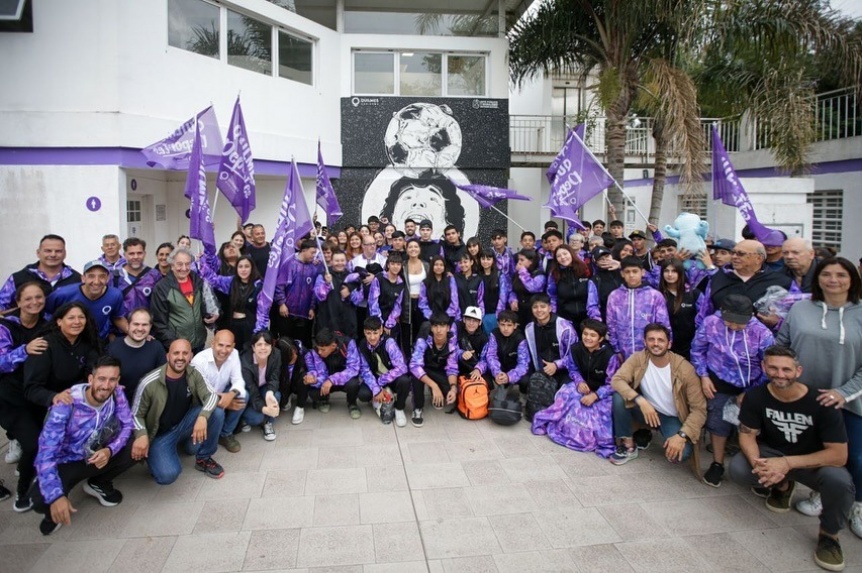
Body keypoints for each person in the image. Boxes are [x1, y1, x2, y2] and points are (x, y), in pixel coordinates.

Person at [729, 345, 854, 572]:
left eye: (786, 369)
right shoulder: (756, 397)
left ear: (798, 371)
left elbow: (838, 455)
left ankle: (829, 536)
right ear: (764, 367)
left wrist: (786, 464)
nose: (779, 374)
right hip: (773, 453)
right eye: (773, 368)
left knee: (839, 481)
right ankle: (782, 486)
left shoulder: (821, 402)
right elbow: (747, 435)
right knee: (739, 467)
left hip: (811, 461)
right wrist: (760, 466)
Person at [776, 257, 862, 535]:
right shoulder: (800, 309)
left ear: (853, 279)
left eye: (841, 275)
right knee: (815, 451)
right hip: (804, 397)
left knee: (856, 457)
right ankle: (822, 494)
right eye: (827, 274)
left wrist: (844, 392)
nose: (833, 280)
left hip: (849, 400)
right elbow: (782, 345)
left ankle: (858, 504)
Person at [30, 356, 136, 535]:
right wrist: (56, 496)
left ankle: (98, 483)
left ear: (118, 381)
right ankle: (53, 510)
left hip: (98, 454)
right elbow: (45, 454)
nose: (106, 385)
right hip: (67, 462)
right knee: (41, 499)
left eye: (112, 379)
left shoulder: (116, 393)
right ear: (90, 379)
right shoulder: (66, 405)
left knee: (137, 446)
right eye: (101, 378)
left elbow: (127, 425)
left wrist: (110, 450)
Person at [20, 302, 100, 511]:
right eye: (71, 318)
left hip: (76, 406)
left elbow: (93, 365)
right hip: (46, 407)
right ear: (59, 321)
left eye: (80, 317)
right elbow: (31, 388)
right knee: (39, 449)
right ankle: (28, 489)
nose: (76, 322)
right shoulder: (45, 345)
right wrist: (54, 397)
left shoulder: (86, 343)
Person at [690, 295, 774, 487]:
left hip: (752, 384)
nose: (735, 327)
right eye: (730, 322)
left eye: (740, 324)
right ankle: (717, 464)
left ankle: (755, 468)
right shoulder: (711, 323)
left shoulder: (761, 333)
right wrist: (703, 376)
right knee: (717, 423)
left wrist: (751, 392)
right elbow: (697, 350)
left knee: (751, 427)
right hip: (718, 382)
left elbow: (769, 366)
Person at [610, 323, 706, 466]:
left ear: (669, 344)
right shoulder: (638, 358)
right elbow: (617, 380)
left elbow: (699, 410)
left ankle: (650, 431)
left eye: (660, 340)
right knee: (619, 398)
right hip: (648, 410)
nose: (655, 344)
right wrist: (641, 401)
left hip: (672, 416)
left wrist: (682, 436)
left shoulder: (685, 369)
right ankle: (628, 445)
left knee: (680, 454)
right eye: (651, 339)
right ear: (645, 342)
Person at [131, 339, 225, 483]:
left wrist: (202, 417)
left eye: (185, 353)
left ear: (191, 356)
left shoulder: (193, 373)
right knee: (168, 475)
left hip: (184, 424)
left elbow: (211, 395)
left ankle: (204, 459)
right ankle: (160, 455)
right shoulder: (149, 382)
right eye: (176, 353)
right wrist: (141, 434)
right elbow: (135, 414)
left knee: (217, 412)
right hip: (160, 435)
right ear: (168, 356)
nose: (180, 357)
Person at [532, 319, 620, 457]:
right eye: (585, 334)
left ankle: (603, 443)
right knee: (567, 394)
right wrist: (579, 382)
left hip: (602, 392)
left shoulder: (610, 356)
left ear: (601, 338)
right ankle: (545, 421)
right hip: (583, 385)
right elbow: (573, 369)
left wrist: (595, 395)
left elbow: (614, 383)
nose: (588, 338)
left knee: (603, 408)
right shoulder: (576, 349)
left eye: (593, 335)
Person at [0, 282, 49, 498]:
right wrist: (24, 350)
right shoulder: (5, 327)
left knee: (38, 441)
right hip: (9, 396)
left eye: (38, 297)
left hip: (35, 395)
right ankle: (25, 488)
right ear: (18, 302)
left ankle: (27, 467)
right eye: (28, 298)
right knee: (32, 442)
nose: (34, 302)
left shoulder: (47, 325)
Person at [698, 239, 796, 330]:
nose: (734, 257)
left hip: (760, 344)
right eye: (733, 253)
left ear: (759, 258)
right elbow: (703, 313)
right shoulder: (716, 277)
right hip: (718, 343)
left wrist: (777, 323)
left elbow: (794, 320)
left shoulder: (781, 282)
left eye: (741, 254)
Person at [150, 248, 220, 353]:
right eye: (179, 264)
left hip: (199, 343)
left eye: (187, 264)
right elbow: (159, 324)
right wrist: (175, 345)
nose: (184, 268)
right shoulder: (162, 288)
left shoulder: (198, 281)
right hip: (177, 347)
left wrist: (212, 314)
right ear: (172, 265)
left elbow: (207, 304)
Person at [190, 330, 247, 453]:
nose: (224, 350)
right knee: (192, 449)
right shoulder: (199, 361)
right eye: (220, 345)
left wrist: (231, 394)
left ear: (233, 346)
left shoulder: (234, 354)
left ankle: (225, 434)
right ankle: (211, 430)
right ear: (212, 343)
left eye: (228, 346)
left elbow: (238, 380)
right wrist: (221, 399)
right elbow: (199, 394)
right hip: (201, 401)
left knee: (243, 395)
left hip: (221, 393)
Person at [605, 257, 671, 361]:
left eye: (635, 271)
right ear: (622, 273)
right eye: (627, 272)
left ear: (643, 272)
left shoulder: (654, 296)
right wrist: (617, 350)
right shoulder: (614, 296)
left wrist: (660, 349)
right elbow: (611, 325)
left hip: (651, 352)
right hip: (624, 353)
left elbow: (663, 325)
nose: (631, 275)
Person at [46, 260, 128, 342]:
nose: (96, 282)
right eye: (91, 276)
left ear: (107, 278)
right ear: (83, 278)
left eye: (102, 276)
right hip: (69, 341)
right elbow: (46, 314)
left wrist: (133, 332)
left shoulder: (115, 295)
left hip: (98, 341)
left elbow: (117, 317)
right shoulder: (63, 294)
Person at [0, 234, 81, 310]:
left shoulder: (77, 279)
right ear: (38, 253)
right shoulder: (18, 278)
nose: (53, 254)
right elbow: (1, 306)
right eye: (48, 251)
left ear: (65, 254)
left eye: (58, 251)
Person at [357, 316, 412, 427]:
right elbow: (365, 371)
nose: (372, 337)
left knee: (405, 381)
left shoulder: (389, 343)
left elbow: (402, 367)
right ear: (364, 332)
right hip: (375, 377)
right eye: (368, 333)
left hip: (390, 377)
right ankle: (378, 398)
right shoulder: (362, 345)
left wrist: (381, 381)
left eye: (375, 333)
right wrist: (376, 389)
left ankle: (399, 408)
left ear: (381, 330)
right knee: (363, 394)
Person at [199, 254, 261, 351]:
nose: (243, 269)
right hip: (232, 324)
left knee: (247, 354)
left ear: (252, 268)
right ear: (236, 268)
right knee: (232, 352)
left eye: (247, 266)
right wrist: (203, 260)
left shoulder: (258, 285)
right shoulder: (231, 281)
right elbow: (212, 279)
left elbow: (263, 312)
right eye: (240, 266)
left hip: (250, 326)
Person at [303, 328, 369, 419]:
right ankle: (324, 400)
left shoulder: (348, 343)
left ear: (333, 346)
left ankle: (352, 403)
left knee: (353, 384)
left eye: (323, 349)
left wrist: (332, 380)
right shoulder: (316, 350)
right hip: (327, 379)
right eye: (318, 349)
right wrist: (313, 379)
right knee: (313, 392)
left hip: (344, 378)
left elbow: (353, 369)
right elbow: (318, 372)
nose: (319, 352)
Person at [409, 312, 459, 427]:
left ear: (448, 328)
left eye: (442, 326)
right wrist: (434, 385)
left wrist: (453, 388)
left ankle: (436, 392)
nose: (439, 330)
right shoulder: (424, 338)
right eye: (436, 326)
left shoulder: (452, 342)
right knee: (416, 376)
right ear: (431, 327)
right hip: (424, 368)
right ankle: (418, 408)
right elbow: (415, 365)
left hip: (439, 370)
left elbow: (452, 368)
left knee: (452, 392)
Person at [106, 308, 166, 403]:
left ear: (150, 326)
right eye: (136, 324)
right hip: (119, 405)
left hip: (148, 404)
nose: (140, 328)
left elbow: (163, 379)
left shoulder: (156, 347)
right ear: (128, 325)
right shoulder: (113, 348)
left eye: (144, 325)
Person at [270, 239, 320, 347]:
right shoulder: (289, 264)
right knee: (285, 342)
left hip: (303, 313)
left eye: (315, 253)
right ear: (304, 250)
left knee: (300, 343)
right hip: (287, 312)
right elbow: (280, 285)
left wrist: (311, 307)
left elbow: (314, 290)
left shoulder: (314, 268)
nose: (314, 255)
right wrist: (281, 303)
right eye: (312, 253)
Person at [524, 294, 576, 393]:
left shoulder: (565, 328)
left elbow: (574, 355)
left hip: (564, 371)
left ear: (550, 308)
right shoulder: (529, 328)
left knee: (563, 393)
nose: (539, 310)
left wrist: (556, 365)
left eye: (543, 306)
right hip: (541, 371)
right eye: (535, 307)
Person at [469, 310, 529, 389]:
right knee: (485, 372)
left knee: (525, 380)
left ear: (515, 326)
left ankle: (520, 395)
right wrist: (497, 372)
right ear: (498, 324)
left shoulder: (520, 339)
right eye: (502, 325)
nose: (505, 328)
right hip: (498, 368)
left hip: (514, 369)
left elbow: (523, 363)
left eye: (509, 325)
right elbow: (491, 355)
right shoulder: (494, 334)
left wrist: (509, 376)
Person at [239, 331, 281, 441]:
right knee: (257, 418)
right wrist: (265, 409)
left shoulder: (276, 354)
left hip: (263, 386)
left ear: (271, 346)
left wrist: (269, 392)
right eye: (259, 344)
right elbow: (251, 390)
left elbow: (275, 378)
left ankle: (268, 423)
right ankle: (245, 417)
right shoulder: (245, 362)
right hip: (249, 393)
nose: (263, 348)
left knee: (275, 396)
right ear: (253, 347)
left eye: (266, 344)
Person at [658, 259, 703, 361]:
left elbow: (703, 321)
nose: (670, 274)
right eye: (666, 271)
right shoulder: (657, 295)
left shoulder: (694, 294)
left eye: (674, 271)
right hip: (666, 348)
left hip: (690, 348)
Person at [314, 250, 363, 339]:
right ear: (331, 261)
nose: (340, 263)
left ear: (346, 261)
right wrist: (327, 284)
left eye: (342, 260)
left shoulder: (353, 277)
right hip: (328, 319)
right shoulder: (323, 275)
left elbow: (358, 299)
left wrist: (349, 293)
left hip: (347, 321)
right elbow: (319, 296)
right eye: (337, 261)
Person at [547, 245, 591, 331]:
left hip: (586, 317)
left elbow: (593, 294)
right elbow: (552, 296)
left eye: (565, 254)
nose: (563, 257)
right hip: (565, 318)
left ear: (571, 254)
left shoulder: (584, 269)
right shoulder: (554, 274)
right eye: (558, 256)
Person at [114, 238, 162, 313]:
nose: (136, 257)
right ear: (125, 255)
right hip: (122, 323)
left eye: (139, 253)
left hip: (148, 323)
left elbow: (160, 304)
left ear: (144, 254)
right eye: (131, 253)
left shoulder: (154, 275)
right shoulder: (115, 276)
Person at [368, 252, 405, 341]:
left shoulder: (401, 283)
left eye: (398, 264)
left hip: (391, 319)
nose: (395, 267)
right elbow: (373, 301)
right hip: (376, 317)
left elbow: (398, 306)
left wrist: (389, 324)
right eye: (392, 264)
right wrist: (379, 323)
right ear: (388, 265)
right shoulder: (379, 278)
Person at [401, 239, 429, 356]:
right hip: (407, 302)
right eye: (410, 247)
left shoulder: (426, 265)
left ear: (420, 249)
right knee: (407, 333)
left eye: (415, 247)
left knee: (422, 331)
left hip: (423, 303)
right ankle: (407, 359)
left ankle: (420, 359)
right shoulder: (402, 266)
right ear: (406, 250)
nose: (413, 249)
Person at [509, 249, 546, 329]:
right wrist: (513, 299)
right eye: (518, 260)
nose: (519, 262)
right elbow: (513, 290)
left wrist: (523, 272)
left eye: (522, 260)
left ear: (531, 261)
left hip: (533, 310)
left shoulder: (539, 274)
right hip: (519, 310)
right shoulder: (517, 274)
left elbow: (532, 287)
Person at [419, 255, 460, 323]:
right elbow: (422, 303)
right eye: (436, 265)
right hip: (430, 319)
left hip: (448, 318)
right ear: (432, 266)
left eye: (441, 265)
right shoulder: (425, 283)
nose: (439, 267)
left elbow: (454, 301)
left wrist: (446, 316)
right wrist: (431, 316)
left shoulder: (450, 280)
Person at [586, 246, 623, 322]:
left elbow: (644, 278)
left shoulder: (623, 271)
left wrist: (621, 265)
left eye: (607, 256)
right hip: (609, 320)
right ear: (596, 262)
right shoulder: (595, 280)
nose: (605, 260)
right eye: (601, 259)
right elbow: (592, 305)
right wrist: (598, 323)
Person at [477, 248, 509, 334]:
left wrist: (498, 314)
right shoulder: (477, 276)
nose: (485, 261)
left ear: (493, 260)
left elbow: (503, 297)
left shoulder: (499, 275)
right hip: (481, 315)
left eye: (488, 259)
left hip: (496, 314)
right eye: (483, 258)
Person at [456, 307, 488, 377]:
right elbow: (450, 348)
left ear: (480, 322)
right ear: (464, 320)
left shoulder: (483, 339)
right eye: (468, 319)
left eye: (475, 320)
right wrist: (461, 354)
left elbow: (485, 359)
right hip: (457, 368)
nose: (471, 323)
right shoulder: (456, 330)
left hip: (475, 369)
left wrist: (478, 369)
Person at [454, 252, 484, 317]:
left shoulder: (478, 280)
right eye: (460, 262)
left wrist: (480, 315)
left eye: (465, 262)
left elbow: (480, 300)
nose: (463, 265)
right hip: (459, 316)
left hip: (474, 316)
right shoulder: (454, 279)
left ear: (471, 262)